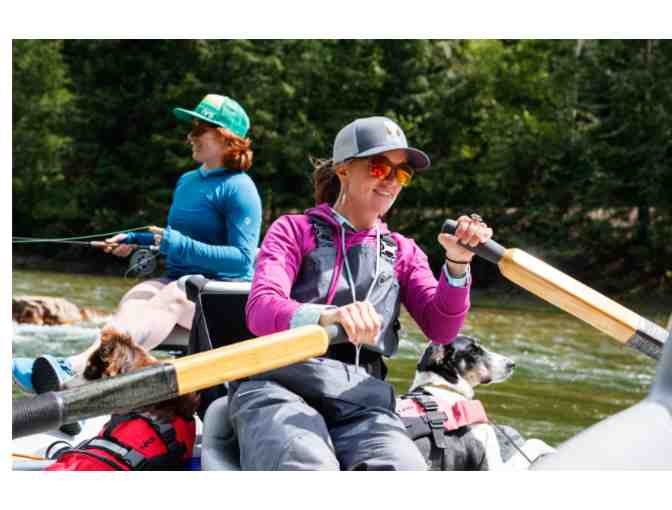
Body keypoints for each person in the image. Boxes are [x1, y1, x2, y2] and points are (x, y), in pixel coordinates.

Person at [227, 116, 493, 470]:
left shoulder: (403, 251)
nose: (390, 181)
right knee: (306, 466)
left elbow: (441, 330)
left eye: (400, 174)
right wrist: (327, 316)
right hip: (279, 385)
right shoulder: (293, 230)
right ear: (343, 170)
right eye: (379, 167)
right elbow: (261, 309)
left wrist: (458, 264)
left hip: (361, 398)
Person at [13, 94, 262, 402]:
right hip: (180, 287)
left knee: (173, 295)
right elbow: (174, 238)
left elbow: (241, 260)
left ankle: (74, 370)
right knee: (135, 299)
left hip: (224, 298)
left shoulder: (241, 188)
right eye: (191, 129)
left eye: (200, 129)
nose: (190, 136)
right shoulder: (187, 181)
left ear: (227, 140)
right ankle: (75, 394)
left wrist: (173, 243)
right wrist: (135, 240)